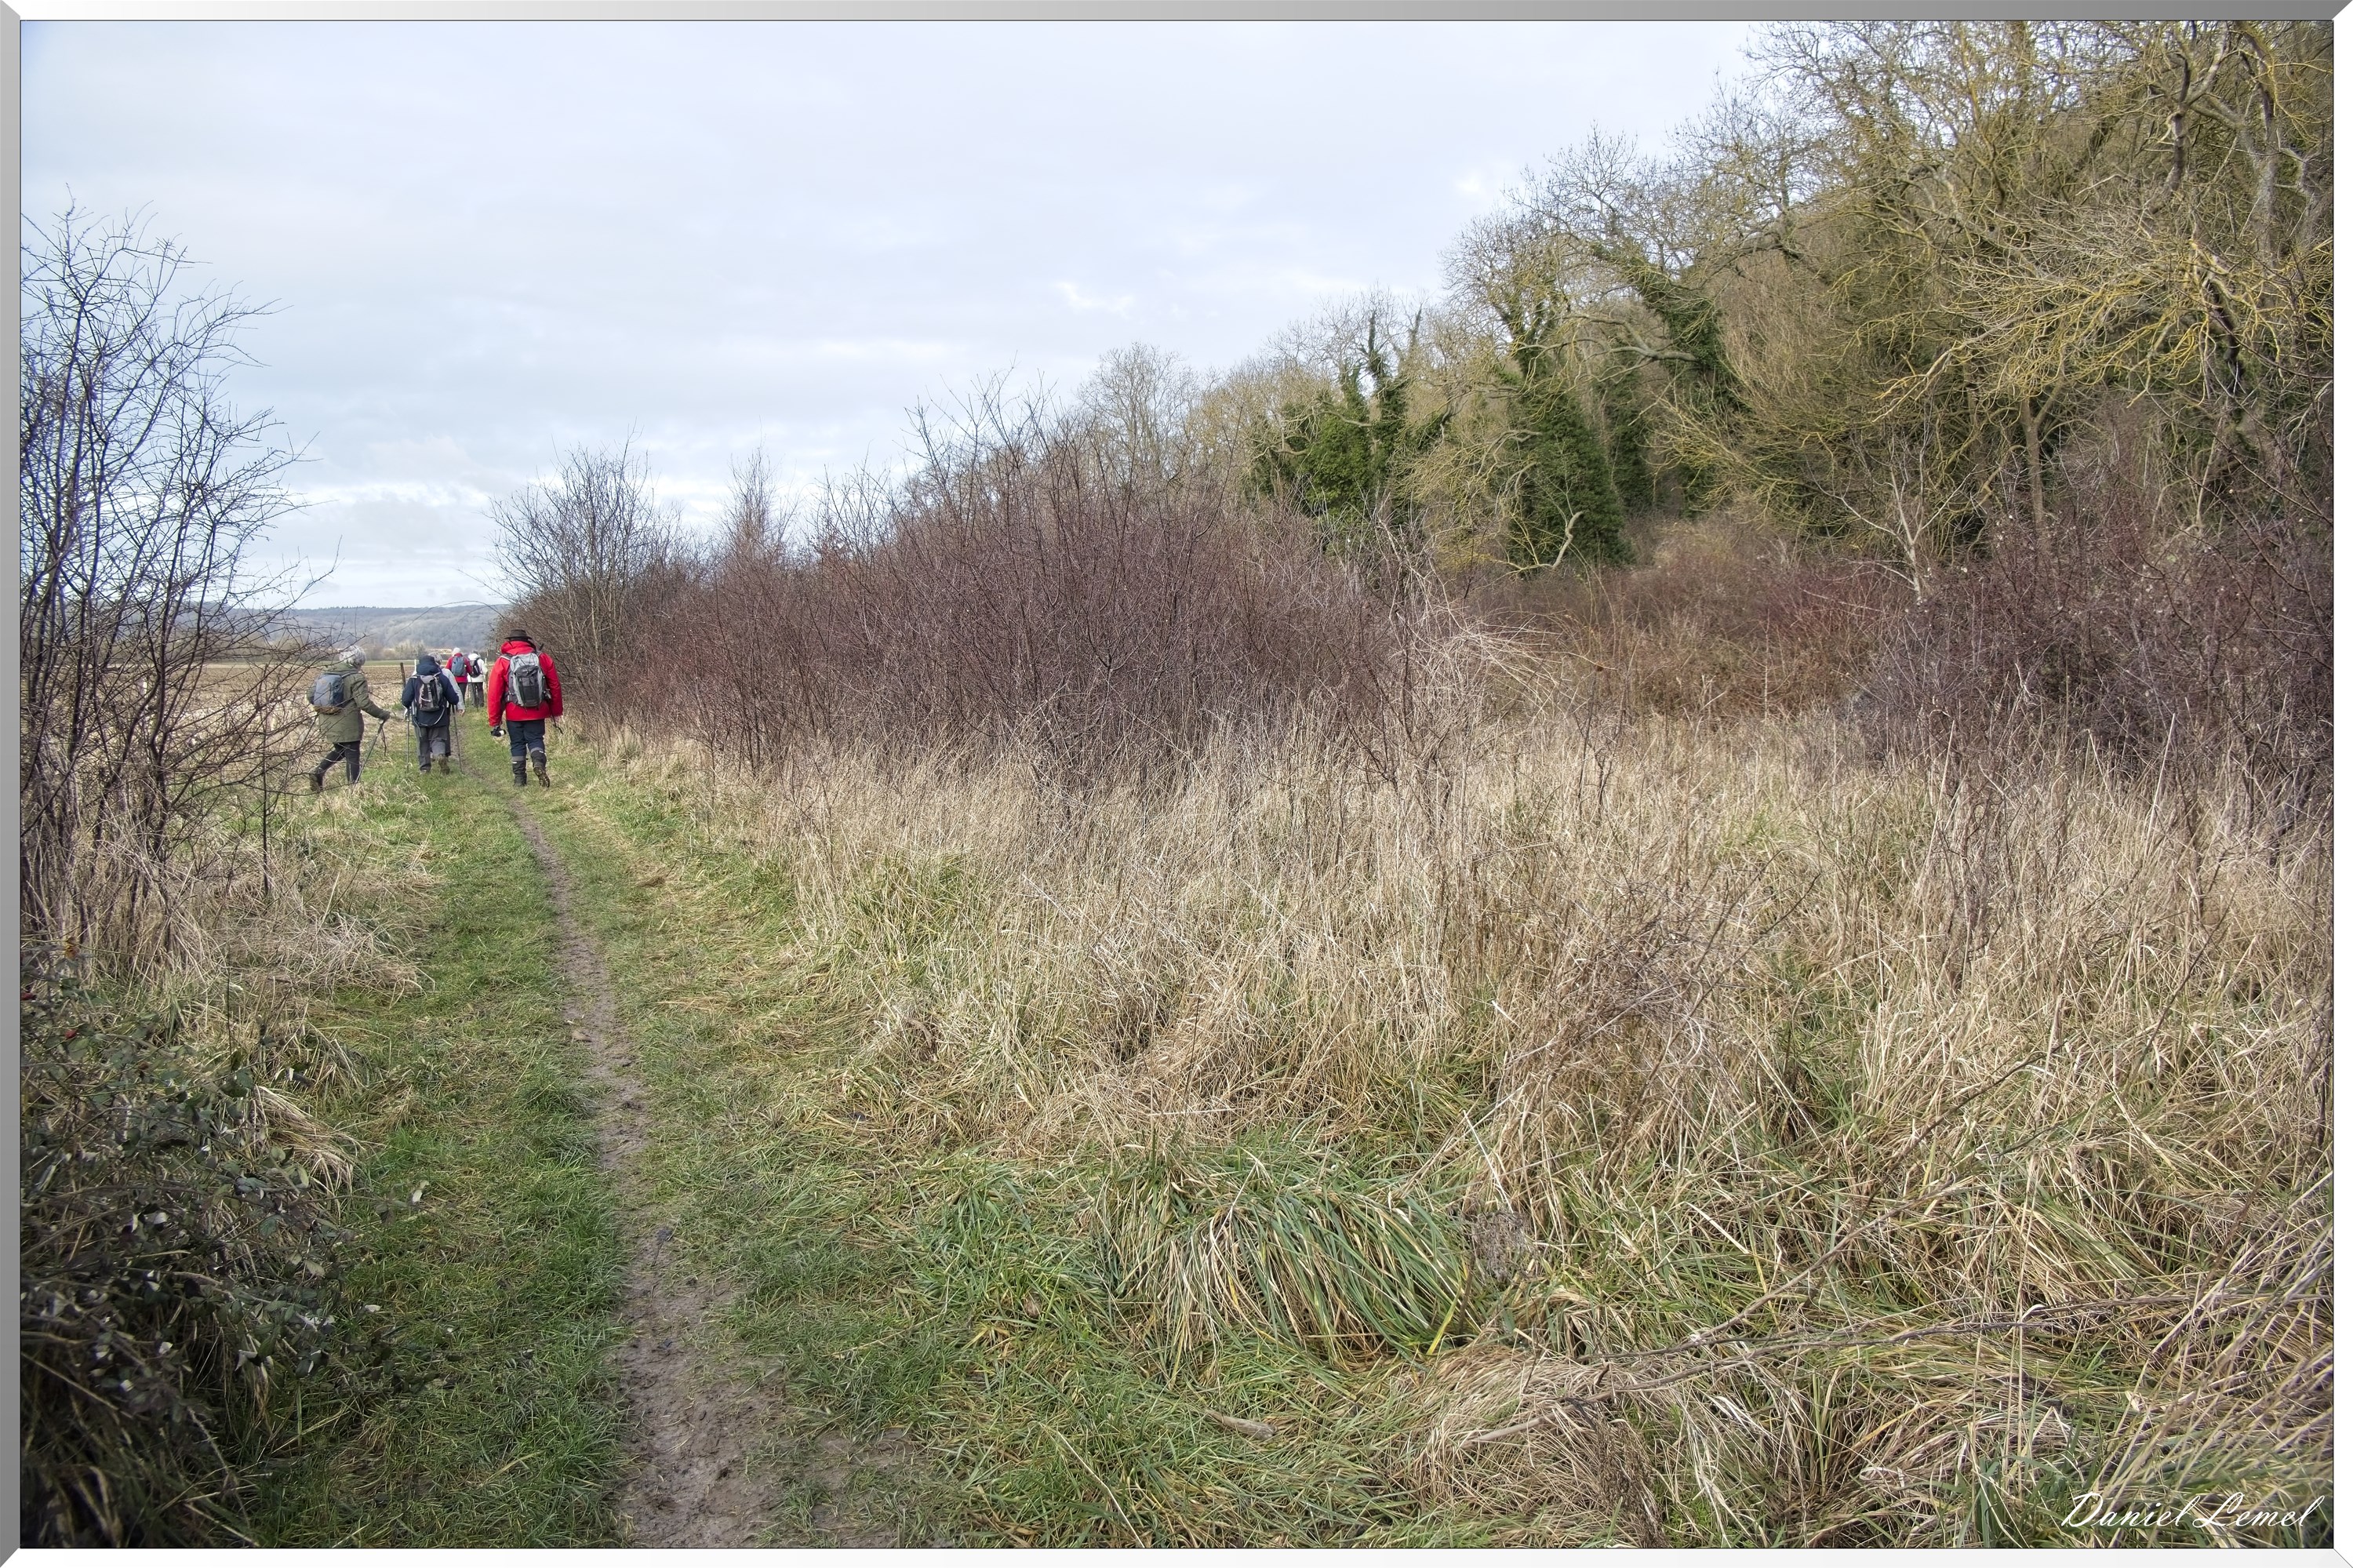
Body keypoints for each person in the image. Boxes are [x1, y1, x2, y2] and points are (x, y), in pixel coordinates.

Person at [307, 645, 393, 792]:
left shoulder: (325, 674)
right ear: (358, 662)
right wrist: (382, 714)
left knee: (340, 750)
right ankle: (353, 790)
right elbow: (364, 703)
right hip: (348, 723)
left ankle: (318, 771)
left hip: (327, 720)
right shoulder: (356, 677)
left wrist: (329, 707)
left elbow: (310, 696)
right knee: (353, 755)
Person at [486, 627, 563, 788]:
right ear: (527, 641)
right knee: (536, 739)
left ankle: (520, 779)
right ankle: (538, 763)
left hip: (514, 711)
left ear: (509, 642)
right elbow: (555, 685)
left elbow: (494, 694)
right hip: (538, 709)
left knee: (517, 743)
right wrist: (556, 711)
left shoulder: (503, 661)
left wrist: (495, 721)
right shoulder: (542, 658)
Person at [402, 652, 464, 773]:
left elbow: (405, 700)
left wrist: (410, 706)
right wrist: (457, 704)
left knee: (422, 742)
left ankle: (425, 769)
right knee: (438, 739)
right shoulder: (442, 677)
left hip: (419, 718)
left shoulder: (414, 679)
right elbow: (453, 698)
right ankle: (440, 755)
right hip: (439, 717)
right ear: (435, 664)